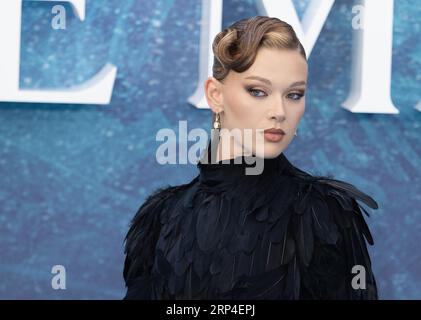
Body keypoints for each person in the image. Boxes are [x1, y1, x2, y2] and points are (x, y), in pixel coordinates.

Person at [122, 16, 379, 299]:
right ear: (215, 94)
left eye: (294, 94)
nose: (279, 111)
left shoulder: (322, 212)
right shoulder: (160, 217)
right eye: (258, 91)